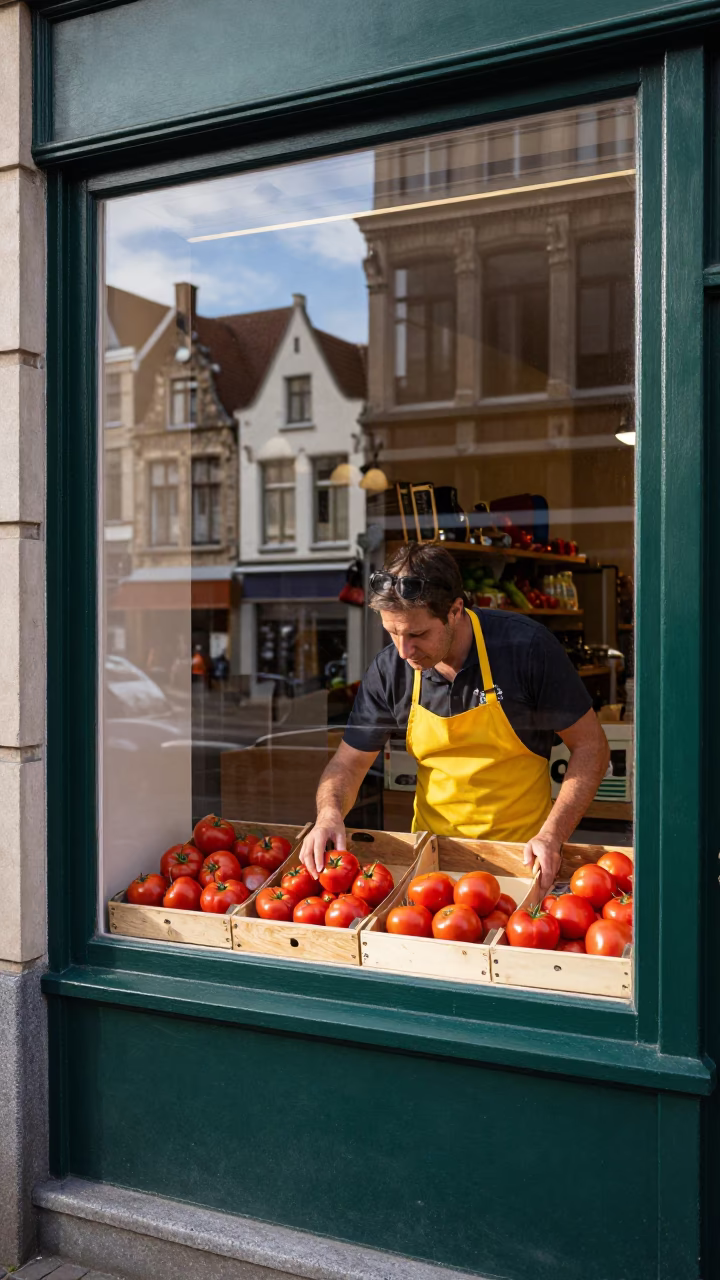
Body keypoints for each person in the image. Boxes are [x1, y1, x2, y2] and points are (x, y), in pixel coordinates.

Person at [300, 542, 610, 889]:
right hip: (431, 865)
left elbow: (591, 747)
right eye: (392, 633)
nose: (404, 651)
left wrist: (553, 834)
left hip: (525, 857)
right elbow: (349, 764)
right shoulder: (390, 669)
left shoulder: (527, 649)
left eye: (417, 634)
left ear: (455, 610)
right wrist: (329, 813)